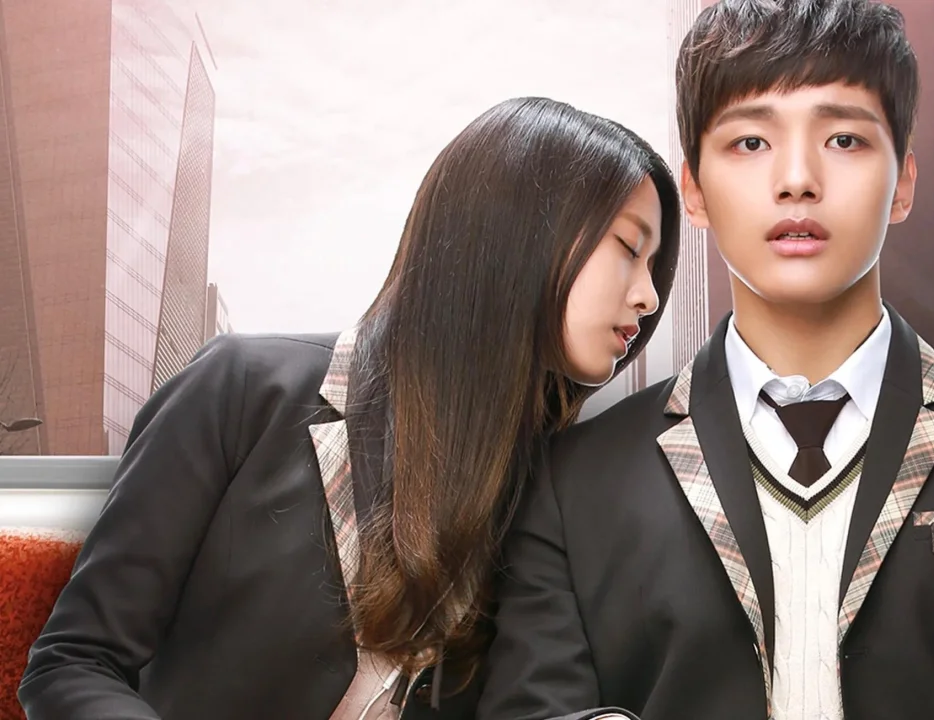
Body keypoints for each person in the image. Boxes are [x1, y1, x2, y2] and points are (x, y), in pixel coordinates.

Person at [476, 1, 934, 719]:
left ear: (904, 183)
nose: (797, 179)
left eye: (845, 140)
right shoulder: (572, 482)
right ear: (693, 192)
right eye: (751, 142)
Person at [18, 96, 681, 720]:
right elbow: (73, 663)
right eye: (629, 248)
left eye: (654, 265)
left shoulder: (547, 490)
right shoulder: (242, 389)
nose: (649, 296)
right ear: (522, 234)